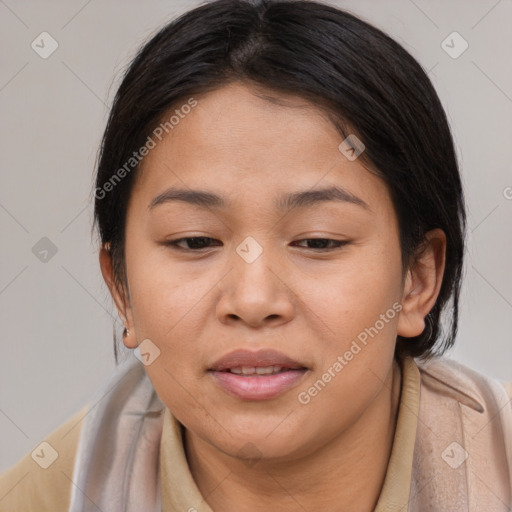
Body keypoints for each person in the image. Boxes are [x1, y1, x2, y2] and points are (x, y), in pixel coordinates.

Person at [1, 1, 511, 511]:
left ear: (417, 279)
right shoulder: (46, 497)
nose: (252, 300)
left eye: (318, 241)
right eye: (194, 241)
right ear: (122, 288)